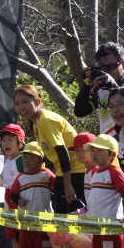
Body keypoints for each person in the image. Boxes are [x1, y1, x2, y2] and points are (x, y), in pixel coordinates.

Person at [13, 84, 85, 214]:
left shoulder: (46, 120)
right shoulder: (36, 123)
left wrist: (68, 186)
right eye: (17, 104)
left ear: (37, 101)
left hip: (75, 173)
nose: (21, 107)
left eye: (25, 102)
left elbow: (62, 152)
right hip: (62, 173)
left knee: (77, 220)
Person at [81, 134, 124, 248]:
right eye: (93, 150)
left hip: (111, 223)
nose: (94, 154)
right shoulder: (95, 172)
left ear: (112, 155)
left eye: (100, 151)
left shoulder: (114, 172)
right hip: (96, 224)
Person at [74, 42, 124, 135]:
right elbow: (80, 111)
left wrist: (112, 86)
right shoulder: (100, 88)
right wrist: (87, 84)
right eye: (103, 67)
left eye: (111, 66)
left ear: (123, 64)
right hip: (108, 146)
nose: (108, 71)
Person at [10, 141, 58, 248]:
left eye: (32, 158)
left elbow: (56, 188)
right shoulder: (21, 177)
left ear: (40, 161)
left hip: (45, 218)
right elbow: (13, 194)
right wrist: (18, 200)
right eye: (25, 157)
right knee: (30, 246)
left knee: (48, 245)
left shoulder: (47, 175)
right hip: (27, 218)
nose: (28, 161)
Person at [0, 124, 29, 248]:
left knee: (20, 232)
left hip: (18, 198)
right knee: (12, 233)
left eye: (10, 140)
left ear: (20, 142)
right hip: (7, 198)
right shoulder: (8, 160)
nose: (6, 144)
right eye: (3, 140)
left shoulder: (21, 160)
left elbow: (26, 177)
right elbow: (2, 181)